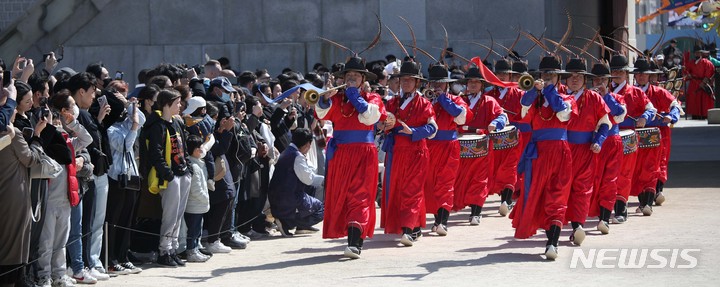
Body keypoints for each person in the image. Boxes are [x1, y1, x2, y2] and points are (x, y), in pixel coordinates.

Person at [315, 56, 385, 259]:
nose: (351, 79)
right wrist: (325, 97)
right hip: (341, 154)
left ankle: (355, 243)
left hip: (364, 153)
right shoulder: (337, 98)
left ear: (363, 79)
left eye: (356, 76)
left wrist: (355, 95)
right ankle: (351, 237)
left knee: (361, 196)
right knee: (343, 196)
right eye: (348, 76)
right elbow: (321, 114)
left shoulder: (373, 98)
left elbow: (371, 116)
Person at [511, 55, 576, 260]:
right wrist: (534, 91)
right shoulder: (534, 98)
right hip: (538, 153)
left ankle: (552, 243)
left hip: (560, 152)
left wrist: (548, 90)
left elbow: (562, 113)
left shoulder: (567, 98)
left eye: (551, 75)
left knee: (557, 195)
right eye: (544, 74)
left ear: (558, 77)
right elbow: (522, 109)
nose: (547, 78)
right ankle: (548, 237)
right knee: (538, 195)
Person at [36, 91, 92, 287]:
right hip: (49, 200)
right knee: (46, 242)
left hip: (66, 199)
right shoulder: (46, 137)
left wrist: (73, 124)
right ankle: (44, 276)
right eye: (70, 108)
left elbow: (87, 140)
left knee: (60, 242)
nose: (73, 110)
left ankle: (59, 274)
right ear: (61, 110)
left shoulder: (68, 141)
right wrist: (51, 125)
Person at [381, 60, 436, 247]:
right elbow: (382, 123)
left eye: (409, 80)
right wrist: (383, 125)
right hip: (396, 152)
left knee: (412, 191)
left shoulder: (424, 104)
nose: (405, 83)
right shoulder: (392, 102)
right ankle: (414, 225)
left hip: (416, 151)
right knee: (397, 190)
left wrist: (414, 132)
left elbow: (432, 128)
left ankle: (408, 230)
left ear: (417, 83)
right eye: (403, 80)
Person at [0, 77, 45, 286]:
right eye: (24, 100)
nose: (30, 103)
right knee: (15, 240)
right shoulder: (13, 131)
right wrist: (36, 136)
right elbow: (30, 159)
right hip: (14, 191)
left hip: (7, 189)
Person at [562, 58, 610, 246]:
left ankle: (577, 226)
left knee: (582, 189)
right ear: (565, 79)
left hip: (585, 151)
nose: (575, 80)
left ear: (585, 79)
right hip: (561, 150)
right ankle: (555, 225)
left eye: (579, 76)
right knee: (559, 188)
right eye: (571, 76)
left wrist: (599, 140)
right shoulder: (558, 96)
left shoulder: (594, 98)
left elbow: (605, 123)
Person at [142, 88, 191, 267]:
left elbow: (183, 147)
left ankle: (173, 249)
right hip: (170, 177)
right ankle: (164, 251)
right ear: (167, 104)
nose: (180, 105)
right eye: (177, 103)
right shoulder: (157, 125)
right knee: (170, 216)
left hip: (183, 172)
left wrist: (189, 169)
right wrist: (168, 174)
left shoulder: (176, 123)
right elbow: (155, 153)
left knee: (178, 216)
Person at [454, 67, 506, 225]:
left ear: (482, 84)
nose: (473, 84)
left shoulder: (490, 101)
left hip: (481, 145)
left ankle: (476, 212)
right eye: (470, 81)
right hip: (461, 144)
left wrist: (495, 123)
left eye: (477, 82)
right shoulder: (460, 100)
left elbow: (502, 115)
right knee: (460, 178)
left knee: (479, 179)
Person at [423, 63, 470, 236]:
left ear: (447, 84)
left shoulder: (456, 99)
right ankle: (434, 218)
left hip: (449, 146)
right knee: (430, 182)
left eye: (441, 83)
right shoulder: (424, 99)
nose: (437, 86)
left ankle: (442, 221)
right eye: (434, 83)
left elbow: (460, 118)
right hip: (429, 145)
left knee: (446, 182)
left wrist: (443, 98)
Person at [610, 54, 656, 221]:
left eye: (620, 71)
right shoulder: (605, 91)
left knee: (625, 173)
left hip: (628, 136)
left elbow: (651, 109)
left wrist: (644, 117)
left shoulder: (635, 92)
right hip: (608, 137)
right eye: (614, 71)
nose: (617, 74)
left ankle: (621, 210)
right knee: (608, 175)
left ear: (626, 73)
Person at [105, 88, 145, 274]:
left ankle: (122, 256)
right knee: (114, 219)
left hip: (131, 177)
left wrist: (132, 106)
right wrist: (134, 126)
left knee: (127, 220)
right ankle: (111, 259)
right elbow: (124, 145)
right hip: (116, 178)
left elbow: (141, 119)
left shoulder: (128, 122)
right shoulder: (111, 128)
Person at [633, 57, 679, 208]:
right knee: (637, 166)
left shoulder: (659, 92)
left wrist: (671, 116)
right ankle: (643, 196)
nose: (641, 76)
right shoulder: (630, 92)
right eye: (638, 74)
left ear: (649, 76)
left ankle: (656, 191)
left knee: (658, 164)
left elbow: (675, 105)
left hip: (658, 133)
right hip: (636, 133)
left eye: (644, 74)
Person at [588, 62, 627, 235]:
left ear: (608, 81)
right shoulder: (586, 98)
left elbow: (619, 115)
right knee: (591, 180)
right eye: (596, 79)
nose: (599, 83)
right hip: (591, 143)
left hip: (611, 142)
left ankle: (604, 218)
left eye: (603, 79)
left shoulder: (616, 98)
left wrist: (607, 97)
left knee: (609, 181)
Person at [485, 59, 526, 216]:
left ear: (510, 76)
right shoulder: (488, 95)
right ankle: (504, 197)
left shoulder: (520, 94)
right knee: (496, 168)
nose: (501, 77)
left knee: (510, 168)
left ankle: (506, 200)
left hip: (514, 137)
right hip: (493, 138)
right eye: (498, 74)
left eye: (504, 74)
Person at [269, 128, 325, 236]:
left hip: (278, 197)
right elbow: (309, 179)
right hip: (288, 198)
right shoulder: (297, 156)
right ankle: (287, 223)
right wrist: (326, 180)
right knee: (321, 209)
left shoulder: (287, 151)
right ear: (307, 144)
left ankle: (298, 224)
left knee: (312, 188)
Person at [184, 135, 211, 263]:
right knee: (193, 231)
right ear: (194, 150)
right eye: (200, 148)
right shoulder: (193, 166)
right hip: (194, 205)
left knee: (197, 230)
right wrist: (206, 198)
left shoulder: (198, 164)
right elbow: (196, 190)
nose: (202, 150)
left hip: (199, 205)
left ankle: (196, 248)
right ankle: (191, 251)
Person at [684, 44, 715, 119]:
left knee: (704, 100)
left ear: (701, 53)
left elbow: (709, 73)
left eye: (699, 52)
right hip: (694, 83)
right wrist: (688, 75)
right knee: (693, 99)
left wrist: (703, 83)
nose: (697, 54)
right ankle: (695, 114)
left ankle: (704, 114)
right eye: (696, 52)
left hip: (703, 84)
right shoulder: (691, 62)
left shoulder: (706, 62)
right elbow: (686, 71)